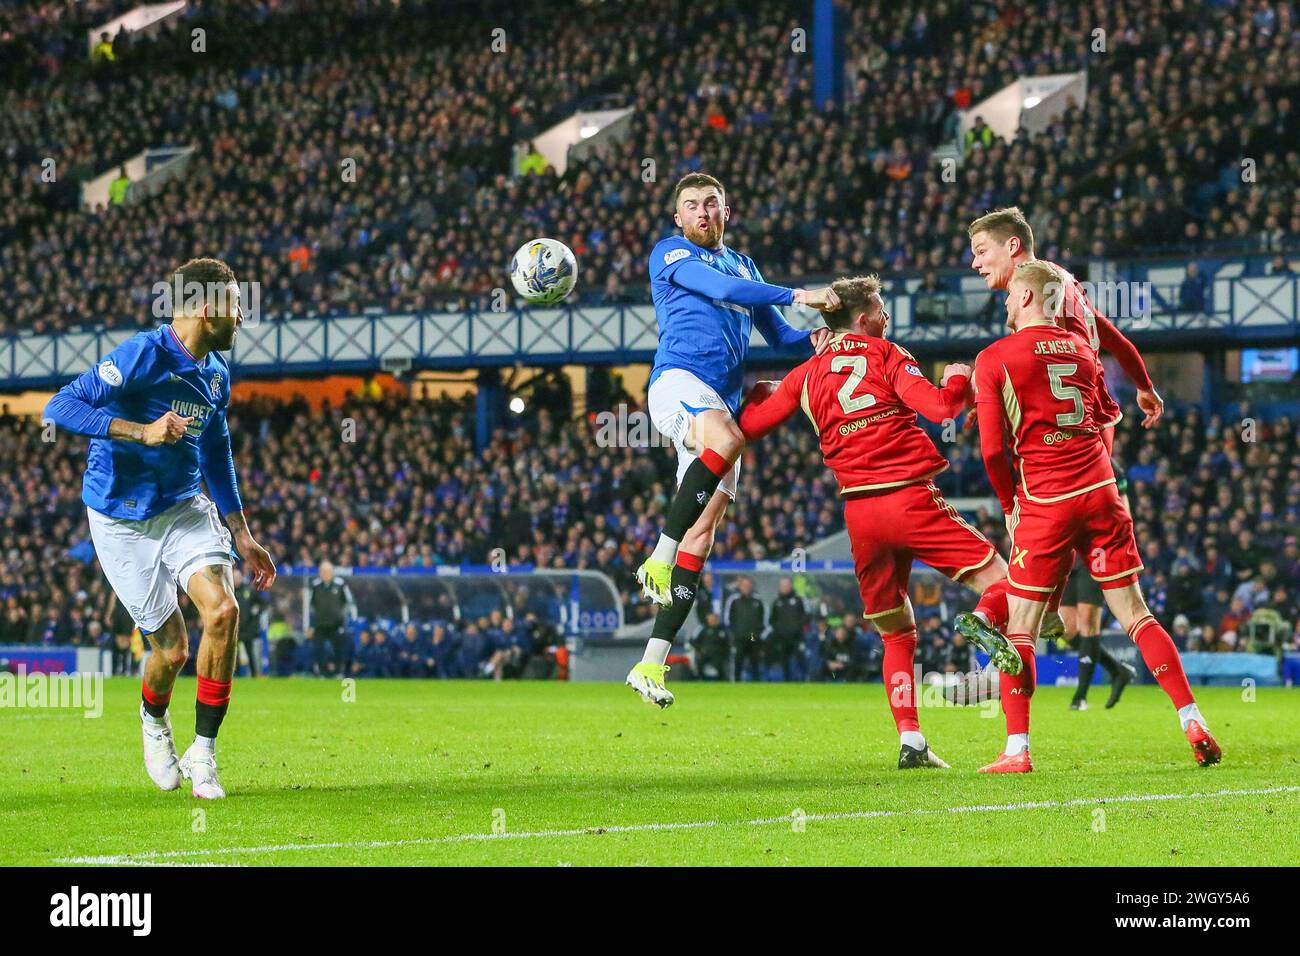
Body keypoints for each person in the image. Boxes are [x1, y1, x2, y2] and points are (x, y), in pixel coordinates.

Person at [739, 274, 1023, 770]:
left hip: (861, 515)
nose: (886, 316)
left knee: (896, 632)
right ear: (861, 316)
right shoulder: (887, 354)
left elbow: (750, 428)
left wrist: (758, 395)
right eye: (880, 307)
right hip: (910, 498)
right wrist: (958, 375)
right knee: (1006, 581)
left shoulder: (804, 376)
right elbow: (942, 408)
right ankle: (982, 626)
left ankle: (911, 739)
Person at [972, 260, 1219, 772]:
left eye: (1008, 296)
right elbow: (1108, 413)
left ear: (1024, 298)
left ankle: (1017, 749)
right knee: (1135, 614)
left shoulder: (994, 358)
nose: (1003, 302)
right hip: (1103, 493)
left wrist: (1009, 505)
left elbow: (993, 452)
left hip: (1047, 501)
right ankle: (1192, 718)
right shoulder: (1084, 350)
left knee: (1022, 626)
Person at [43, 257, 276, 799]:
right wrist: (139, 431)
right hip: (120, 519)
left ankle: (206, 754)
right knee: (170, 652)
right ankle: (153, 723)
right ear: (203, 307)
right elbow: (61, 406)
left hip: (183, 507)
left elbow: (217, 451)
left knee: (223, 610)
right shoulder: (142, 355)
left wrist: (241, 532)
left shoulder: (216, 371)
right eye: (236, 304)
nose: (242, 316)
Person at [627, 172, 838, 707]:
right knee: (727, 439)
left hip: (719, 402)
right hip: (677, 384)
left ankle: (651, 664)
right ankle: (658, 553)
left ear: (727, 211)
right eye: (691, 205)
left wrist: (814, 338)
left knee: (704, 536)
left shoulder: (745, 266)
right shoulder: (669, 253)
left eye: (711, 204)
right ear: (678, 217)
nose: (701, 212)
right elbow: (720, 291)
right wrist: (800, 293)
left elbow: (781, 335)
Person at [968, 207, 1165, 635]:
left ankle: (999, 627)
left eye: (982, 251)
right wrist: (1143, 384)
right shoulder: (1062, 281)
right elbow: (1111, 336)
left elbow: (1048, 368)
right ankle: (1044, 611)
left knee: (1034, 522)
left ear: (1013, 247)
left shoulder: (1037, 299)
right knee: (1060, 532)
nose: (976, 263)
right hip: (1094, 426)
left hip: (1075, 431)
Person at [308, 560, 354, 677]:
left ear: (332, 572)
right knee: (318, 649)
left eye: (327, 571)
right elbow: (310, 606)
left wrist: (344, 620)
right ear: (319, 572)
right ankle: (322, 672)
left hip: (336, 624)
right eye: (323, 571)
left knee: (339, 649)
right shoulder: (315, 585)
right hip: (320, 624)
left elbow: (348, 603)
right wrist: (310, 625)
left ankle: (339, 672)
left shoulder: (340, 584)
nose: (325, 573)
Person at [723, 576, 766, 681]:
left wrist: (759, 634)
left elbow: (764, 619)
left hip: (753, 637)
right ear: (740, 586)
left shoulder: (758, 601)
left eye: (748, 585)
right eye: (744, 585)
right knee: (738, 662)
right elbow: (727, 619)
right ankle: (736, 684)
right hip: (739, 637)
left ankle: (757, 685)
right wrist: (733, 634)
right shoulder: (734, 600)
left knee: (755, 663)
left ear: (751, 586)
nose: (746, 587)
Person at [233, 567, 269, 677]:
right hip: (234, 628)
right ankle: (236, 676)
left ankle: (255, 675)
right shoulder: (229, 591)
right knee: (235, 655)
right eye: (234, 578)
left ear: (241, 578)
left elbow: (263, 604)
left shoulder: (248, 590)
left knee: (250, 653)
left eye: (238, 577)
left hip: (248, 629)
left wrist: (256, 613)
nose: (236, 580)